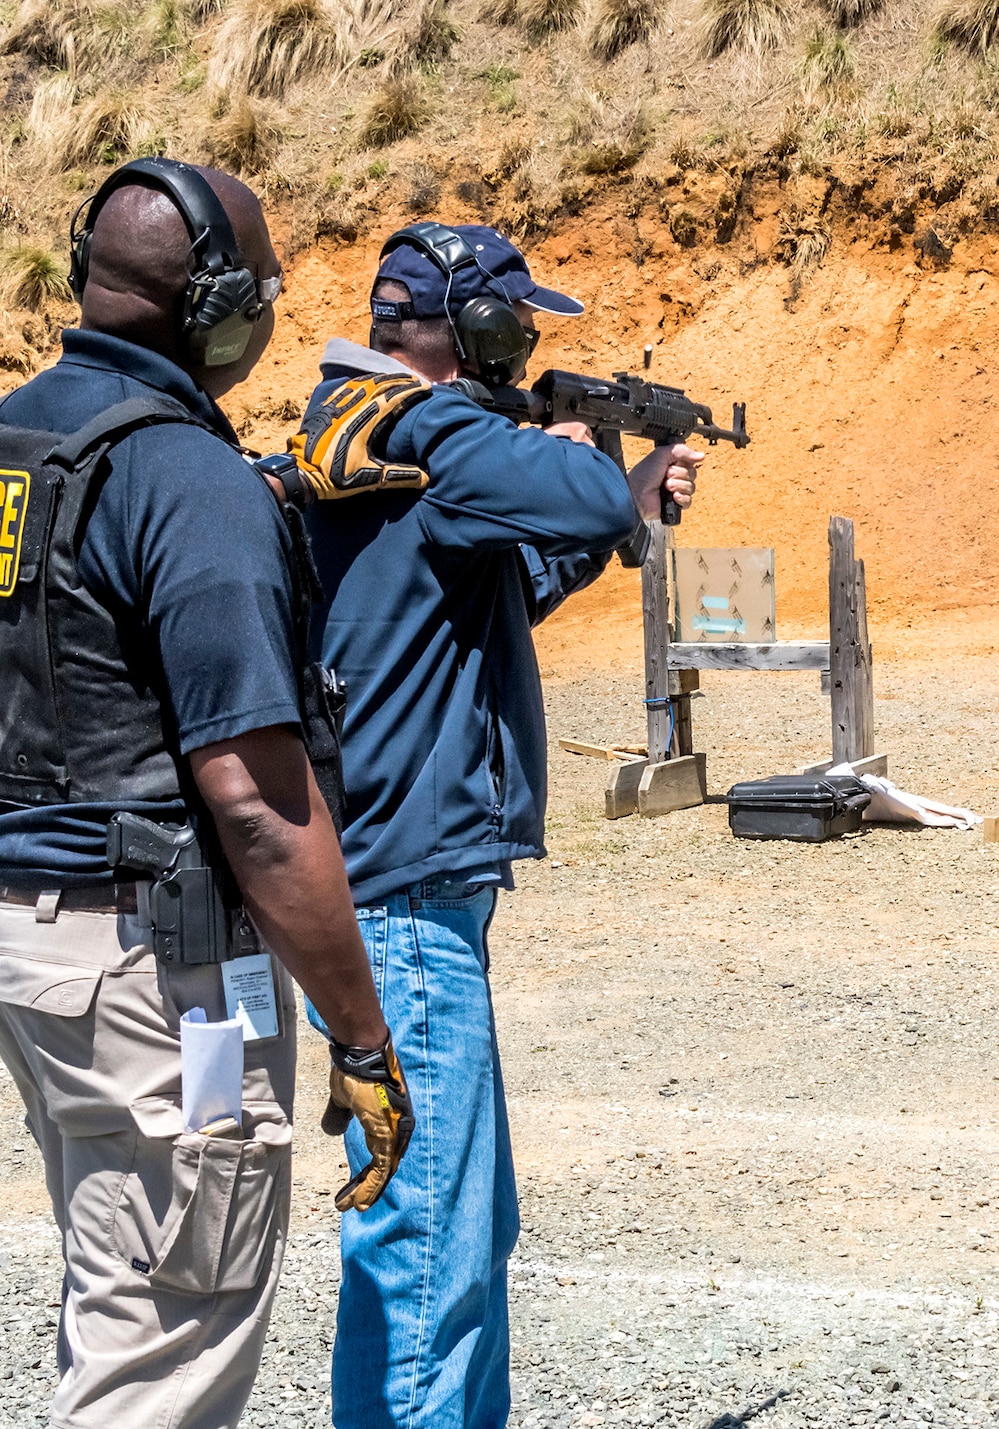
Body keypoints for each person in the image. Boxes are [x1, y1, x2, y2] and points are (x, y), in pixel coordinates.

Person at [0, 158, 410, 1428]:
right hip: (151, 970)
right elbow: (251, 801)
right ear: (220, 304)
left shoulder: (18, 437)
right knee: (168, 1342)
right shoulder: (188, 479)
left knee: (119, 1281)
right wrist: (361, 1033)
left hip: (41, 942)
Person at [288, 222, 699, 1428]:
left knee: (462, 1229)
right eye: (510, 329)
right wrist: (585, 467)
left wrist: (624, 513)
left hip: (416, 891)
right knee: (429, 1255)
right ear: (456, 335)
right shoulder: (407, 425)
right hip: (401, 897)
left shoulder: (390, 456)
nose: (521, 349)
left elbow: (490, 585)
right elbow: (558, 489)